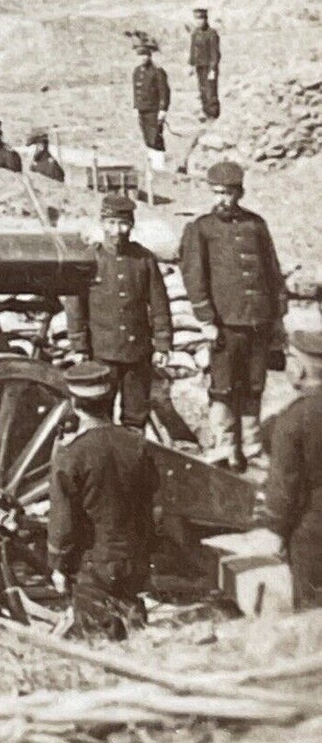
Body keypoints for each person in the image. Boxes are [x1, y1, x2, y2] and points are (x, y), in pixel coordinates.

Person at [179, 161, 288, 469]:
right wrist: (206, 320)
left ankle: (252, 447)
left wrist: (277, 315)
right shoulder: (201, 228)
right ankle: (224, 446)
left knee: (255, 384)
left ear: (239, 193)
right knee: (223, 386)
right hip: (224, 324)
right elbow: (193, 276)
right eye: (217, 192)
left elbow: (272, 271)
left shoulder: (256, 225)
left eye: (228, 193)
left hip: (257, 321)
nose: (222, 199)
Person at [47, 360, 160, 640]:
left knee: (98, 638)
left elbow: (63, 523)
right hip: (133, 557)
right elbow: (152, 504)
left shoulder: (72, 454)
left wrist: (58, 565)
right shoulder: (136, 444)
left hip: (94, 564)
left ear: (75, 403)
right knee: (134, 628)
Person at [63, 194, 172, 431]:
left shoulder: (144, 259)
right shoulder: (90, 258)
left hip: (137, 355)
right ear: (102, 223)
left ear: (132, 225)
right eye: (111, 223)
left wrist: (162, 344)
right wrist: (79, 346)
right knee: (99, 417)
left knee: (135, 419)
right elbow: (75, 307)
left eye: (123, 223)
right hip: (102, 354)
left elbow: (160, 305)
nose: (118, 230)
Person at [261, 326, 322, 610]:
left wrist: (275, 529)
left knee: (313, 610)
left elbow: (285, 486)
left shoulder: (293, 419)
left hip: (312, 529)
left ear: (298, 368)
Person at [132, 40, 170, 154]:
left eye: (145, 55)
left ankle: (159, 166)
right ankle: (153, 166)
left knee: (155, 139)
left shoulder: (157, 71)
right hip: (142, 110)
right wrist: (135, 107)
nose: (143, 58)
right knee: (147, 139)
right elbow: (136, 91)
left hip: (154, 111)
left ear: (150, 56)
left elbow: (164, 91)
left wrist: (163, 110)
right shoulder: (137, 71)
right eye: (140, 55)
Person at [189, 8, 221, 121]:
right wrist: (191, 65)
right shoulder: (195, 34)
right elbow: (193, 50)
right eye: (197, 19)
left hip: (209, 66)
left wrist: (213, 69)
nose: (199, 21)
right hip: (199, 66)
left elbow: (214, 53)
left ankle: (213, 115)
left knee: (210, 91)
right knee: (202, 90)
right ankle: (205, 113)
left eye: (201, 19)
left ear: (206, 19)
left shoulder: (212, 34)